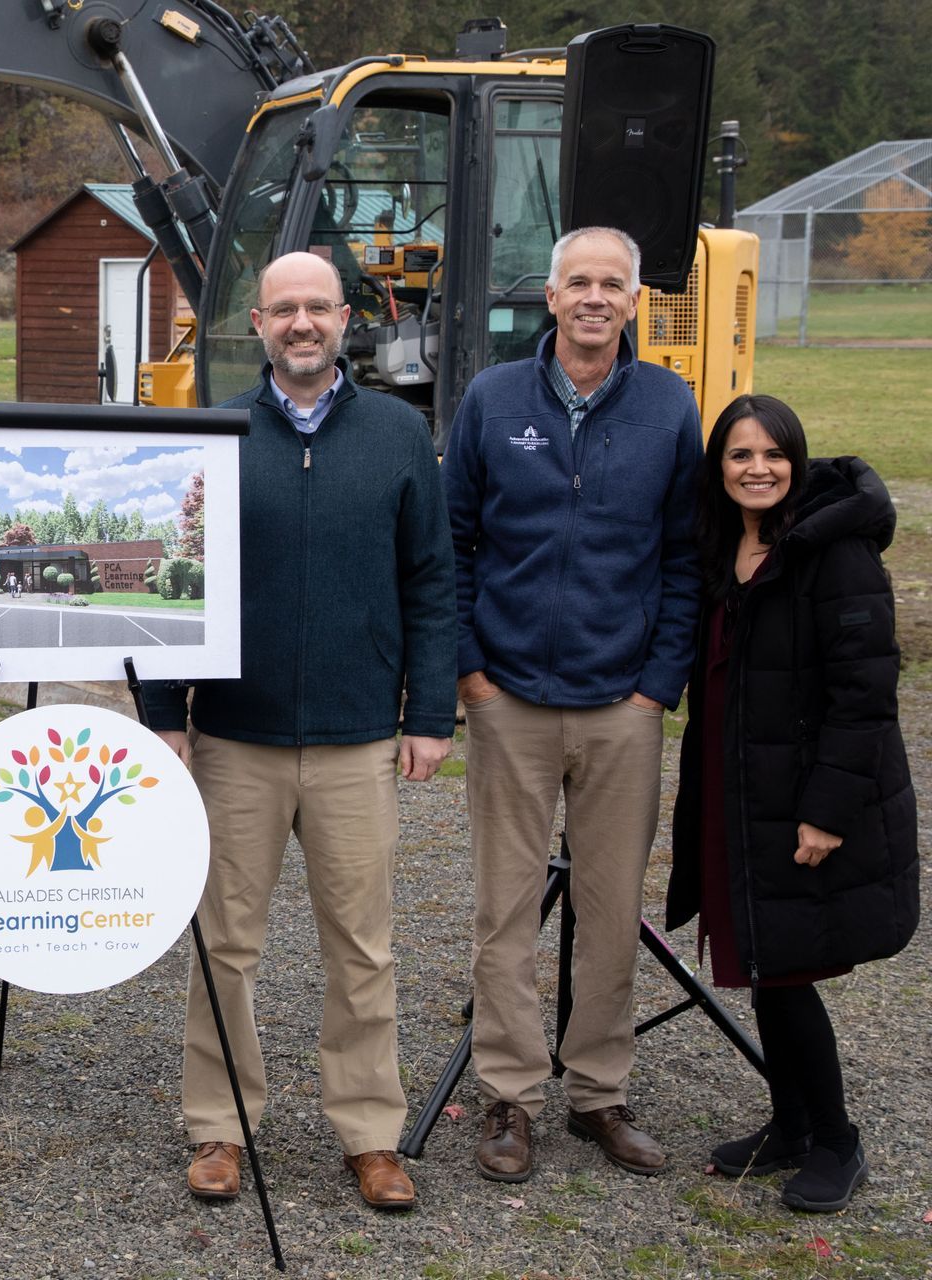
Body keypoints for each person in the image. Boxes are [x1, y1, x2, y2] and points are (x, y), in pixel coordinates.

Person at [145, 251, 456, 1211]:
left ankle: (370, 1133)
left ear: (345, 318)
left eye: (318, 306)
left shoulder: (398, 435)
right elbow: (174, 579)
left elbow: (431, 581)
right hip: (235, 741)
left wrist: (428, 713)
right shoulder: (216, 432)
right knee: (224, 944)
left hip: (357, 740)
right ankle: (220, 1125)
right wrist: (162, 717)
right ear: (259, 323)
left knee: (363, 947)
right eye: (284, 309)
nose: (302, 324)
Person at [442, 226, 704, 1183]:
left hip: (620, 706)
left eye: (612, 284)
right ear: (549, 297)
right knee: (504, 911)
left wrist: (656, 686)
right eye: (578, 282)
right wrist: (471, 672)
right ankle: (511, 1095)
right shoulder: (492, 397)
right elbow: (452, 543)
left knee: (610, 909)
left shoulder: (670, 406)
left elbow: (687, 558)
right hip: (508, 699)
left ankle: (599, 1092)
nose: (595, 297)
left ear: (635, 301)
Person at [665, 394, 917, 1213]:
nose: (758, 469)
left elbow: (865, 695)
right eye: (740, 455)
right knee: (761, 960)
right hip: (740, 792)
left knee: (788, 971)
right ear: (719, 468)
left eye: (774, 454)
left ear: (797, 462)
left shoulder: (834, 553)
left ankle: (837, 1140)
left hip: (802, 798)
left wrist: (828, 811)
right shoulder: (722, 546)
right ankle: (791, 1123)